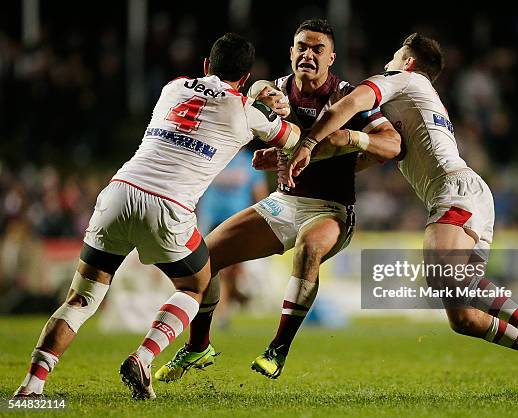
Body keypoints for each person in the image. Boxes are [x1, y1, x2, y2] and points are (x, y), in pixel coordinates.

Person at [288, 33, 518, 397]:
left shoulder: (403, 80)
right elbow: (375, 154)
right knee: (463, 317)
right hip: (467, 192)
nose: (387, 63)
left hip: (453, 189)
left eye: (394, 55)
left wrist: (308, 142)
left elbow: (346, 106)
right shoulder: (415, 100)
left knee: (443, 272)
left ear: (408, 62)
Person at [13, 32, 301, 401]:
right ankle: (144, 357)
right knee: (195, 286)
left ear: (206, 66)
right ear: (244, 78)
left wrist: (253, 93)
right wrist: (271, 98)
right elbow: (292, 138)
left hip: (119, 192)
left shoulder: (174, 87)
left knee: (81, 299)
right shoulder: (245, 112)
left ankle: (31, 386)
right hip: (169, 207)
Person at [154, 19, 401, 382]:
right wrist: (260, 91)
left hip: (330, 210)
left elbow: (393, 144)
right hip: (283, 204)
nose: (309, 54)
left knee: (309, 247)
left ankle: (278, 349)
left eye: (318, 49)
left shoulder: (347, 98)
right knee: (205, 258)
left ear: (331, 58)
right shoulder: (279, 91)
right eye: (302, 46)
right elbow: (250, 94)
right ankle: (198, 345)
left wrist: (352, 138)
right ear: (291, 53)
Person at [198, 147, 269, 328]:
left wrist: (265, 221)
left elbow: (260, 193)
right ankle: (224, 307)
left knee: (231, 271)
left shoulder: (251, 160)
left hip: (237, 219)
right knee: (214, 269)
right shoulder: (212, 156)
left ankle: (227, 303)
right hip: (211, 219)